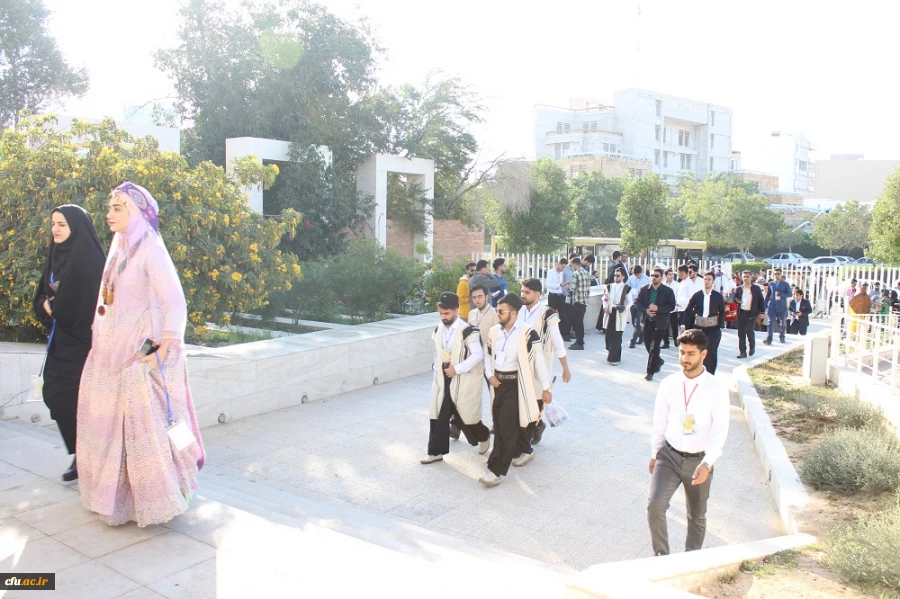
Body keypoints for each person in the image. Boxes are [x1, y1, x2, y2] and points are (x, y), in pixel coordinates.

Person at [78, 182, 205, 527]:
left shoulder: (150, 249)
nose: (109, 214)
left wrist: (163, 349)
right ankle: (119, 499)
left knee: (143, 433)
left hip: (138, 357)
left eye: (118, 208)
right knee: (114, 430)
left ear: (137, 212)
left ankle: (158, 498)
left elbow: (175, 303)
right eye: (110, 207)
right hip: (111, 355)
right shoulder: (120, 247)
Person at [32, 205, 106, 482]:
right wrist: (48, 306)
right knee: (55, 394)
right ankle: (82, 453)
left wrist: (54, 308)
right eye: (53, 223)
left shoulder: (88, 260)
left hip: (83, 344)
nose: (55, 230)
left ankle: (86, 456)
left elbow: (82, 306)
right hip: (61, 341)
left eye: (62, 224)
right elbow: (41, 296)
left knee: (72, 397)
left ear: (76, 227)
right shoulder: (56, 255)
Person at [647, 329, 730, 556]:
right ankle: (661, 557)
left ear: (704, 354)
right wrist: (655, 453)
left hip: (699, 460)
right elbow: (659, 420)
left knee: (696, 514)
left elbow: (720, 428)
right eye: (682, 353)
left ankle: (690, 559)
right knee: (655, 506)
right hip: (669, 456)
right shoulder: (669, 383)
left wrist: (708, 462)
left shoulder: (716, 387)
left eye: (691, 353)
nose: (685, 358)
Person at [481, 294, 552, 487]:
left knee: (504, 427)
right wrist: (490, 375)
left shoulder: (528, 333)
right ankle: (527, 451)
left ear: (514, 312)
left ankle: (496, 470)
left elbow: (539, 362)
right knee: (504, 421)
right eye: (497, 310)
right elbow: (488, 356)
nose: (497, 314)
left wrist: (545, 388)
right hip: (498, 384)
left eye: (501, 311)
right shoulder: (494, 332)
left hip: (517, 386)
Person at [421, 292, 491, 464]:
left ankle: (483, 436)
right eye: (441, 314)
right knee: (438, 414)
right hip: (442, 379)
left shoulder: (468, 331)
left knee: (467, 416)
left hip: (463, 379)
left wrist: (457, 369)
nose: (443, 317)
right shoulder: (438, 329)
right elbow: (437, 353)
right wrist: (436, 369)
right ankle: (435, 452)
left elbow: (477, 355)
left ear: (456, 310)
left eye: (447, 313)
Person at [519, 278, 571, 447]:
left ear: (538, 294)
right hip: (521, 362)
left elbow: (557, 341)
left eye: (527, 292)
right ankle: (535, 426)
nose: (523, 295)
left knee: (537, 398)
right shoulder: (519, 311)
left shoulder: (548, 313)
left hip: (540, 363)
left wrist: (565, 368)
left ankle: (534, 428)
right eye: (522, 291)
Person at [462, 283, 500, 438]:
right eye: (474, 297)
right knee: (468, 392)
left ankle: (497, 423)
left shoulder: (494, 315)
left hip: (490, 360)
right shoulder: (471, 314)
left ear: (487, 297)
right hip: (474, 359)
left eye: (480, 297)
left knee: (494, 394)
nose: (477, 300)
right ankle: (461, 424)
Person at [634, 267, 677, 381]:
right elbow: (637, 302)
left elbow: (672, 306)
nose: (654, 278)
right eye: (652, 275)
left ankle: (650, 372)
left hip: (660, 323)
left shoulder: (668, 291)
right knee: (648, 345)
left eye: (656, 276)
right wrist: (645, 310)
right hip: (647, 321)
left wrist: (658, 309)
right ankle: (658, 361)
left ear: (661, 277)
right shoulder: (644, 289)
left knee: (655, 347)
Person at [683, 272, 726, 375]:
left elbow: (722, 311)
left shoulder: (718, 296)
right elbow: (688, 310)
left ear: (713, 282)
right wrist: (683, 324)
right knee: (699, 351)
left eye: (709, 279)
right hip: (699, 328)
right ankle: (699, 372)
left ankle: (710, 374)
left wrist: (719, 326)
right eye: (705, 279)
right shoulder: (697, 295)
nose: (706, 281)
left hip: (713, 328)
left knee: (711, 351)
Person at [733, 270, 765, 358]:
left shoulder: (756, 289)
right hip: (742, 312)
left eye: (747, 276)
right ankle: (742, 352)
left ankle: (752, 345)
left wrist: (762, 312)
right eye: (744, 276)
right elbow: (735, 298)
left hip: (752, 313)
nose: (745, 278)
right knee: (741, 333)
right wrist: (736, 299)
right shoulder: (739, 288)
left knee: (749, 331)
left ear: (751, 277)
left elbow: (761, 300)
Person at [603, 267, 630, 365]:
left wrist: (624, 308)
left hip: (620, 315)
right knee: (608, 336)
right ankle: (611, 352)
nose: (616, 277)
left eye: (618, 275)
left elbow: (630, 301)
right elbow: (605, 298)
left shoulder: (627, 288)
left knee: (617, 337)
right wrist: (605, 307)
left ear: (623, 276)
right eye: (615, 275)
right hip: (610, 313)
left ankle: (615, 358)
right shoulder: (609, 286)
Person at [763, 268, 792, 345]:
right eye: (775, 274)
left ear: (781, 274)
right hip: (772, 305)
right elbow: (768, 294)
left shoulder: (785, 284)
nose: (777, 275)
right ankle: (769, 338)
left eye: (778, 274)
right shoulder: (771, 283)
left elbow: (790, 294)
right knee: (770, 322)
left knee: (783, 323)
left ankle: (782, 336)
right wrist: (765, 304)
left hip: (781, 306)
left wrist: (781, 294)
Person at [568, 257, 590, 350]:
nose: (572, 267)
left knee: (577, 323)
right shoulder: (587, 273)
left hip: (577, 301)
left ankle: (580, 343)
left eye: (572, 265)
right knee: (580, 322)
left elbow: (572, 288)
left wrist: (567, 286)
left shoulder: (575, 274)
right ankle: (580, 340)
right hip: (584, 301)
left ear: (575, 264)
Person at [627, 265, 651, 348]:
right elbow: (626, 288)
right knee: (634, 322)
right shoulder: (630, 278)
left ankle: (632, 342)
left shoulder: (647, 279)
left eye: (638, 275)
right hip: (633, 303)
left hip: (641, 304)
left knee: (637, 323)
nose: (637, 276)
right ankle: (641, 337)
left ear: (642, 272)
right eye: (635, 275)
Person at [677, 265, 704, 330]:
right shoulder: (684, 282)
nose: (688, 274)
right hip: (683, 310)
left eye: (690, 272)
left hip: (696, 311)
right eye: (688, 272)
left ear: (696, 272)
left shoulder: (702, 282)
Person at [546, 258, 568, 336]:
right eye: (562, 266)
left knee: (563, 315)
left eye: (564, 267)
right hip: (552, 296)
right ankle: (551, 334)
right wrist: (559, 285)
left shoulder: (563, 273)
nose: (563, 268)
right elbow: (548, 285)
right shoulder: (550, 272)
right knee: (552, 315)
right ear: (558, 264)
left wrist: (565, 285)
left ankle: (563, 334)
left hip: (561, 296)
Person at [662, 269, 681, 350]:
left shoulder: (677, 285)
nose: (671, 276)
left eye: (672, 274)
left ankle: (676, 341)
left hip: (674, 308)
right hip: (664, 309)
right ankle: (666, 342)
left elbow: (679, 295)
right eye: (669, 274)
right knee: (664, 326)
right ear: (665, 275)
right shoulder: (662, 284)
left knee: (674, 326)